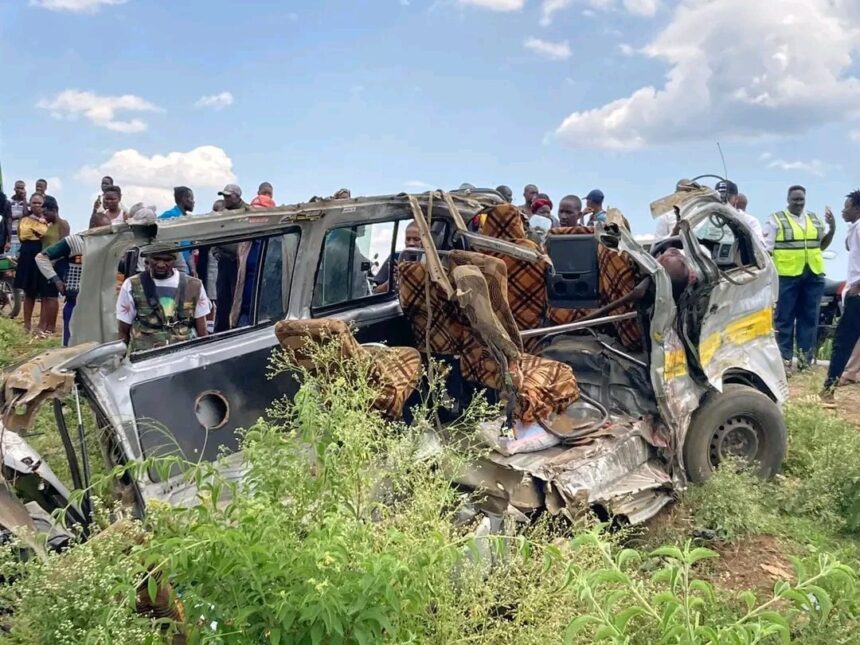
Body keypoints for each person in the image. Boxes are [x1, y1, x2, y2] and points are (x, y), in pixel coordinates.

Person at [765, 185, 836, 372]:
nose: (798, 203)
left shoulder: (813, 219)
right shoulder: (776, 220)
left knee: (809, 319)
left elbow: (822, 246)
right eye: (795, 199)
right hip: (787, 276)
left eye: (801, 199)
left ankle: (805, 361)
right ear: (788, 200)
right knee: (784, 319)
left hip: (813, 275)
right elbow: (767, 250)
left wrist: (832, 228)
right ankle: (785, 361)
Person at [116, 250, 211, 352]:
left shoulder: (194, 285)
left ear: (175, 261)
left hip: (184, 356)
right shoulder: (131, 285)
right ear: (147, 259)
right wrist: (120, 358)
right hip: (145, 358)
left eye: (167, 260)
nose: (161, 264)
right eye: (156, 259)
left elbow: (202, 329)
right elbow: (123, 330)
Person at [820, 190, 860, 402]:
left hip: (858, 294)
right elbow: (848, 246)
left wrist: (858, 285)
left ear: (857, 208)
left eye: (847, 206)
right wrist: (836, 225)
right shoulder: (856, 227)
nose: (844, 210)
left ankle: (829, 389)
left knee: (843, 341)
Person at [36, 228, 86, 347]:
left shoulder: (107, 243)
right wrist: (56, 280)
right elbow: (41, 258)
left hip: (96, 301)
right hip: (75, 298)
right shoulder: (74, 242)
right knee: (70, 343)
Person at [13, 193, 48, 333]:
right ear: (30, 205)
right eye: (34, 203)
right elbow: (23, 237)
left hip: (43, 253)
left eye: (39, 203)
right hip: (28, 255)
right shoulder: (25, 220)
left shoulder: (49, 220)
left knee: (44, 292)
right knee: (29, 292)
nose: (37, 205)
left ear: (44, 205)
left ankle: (42, 326)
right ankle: (27, 325)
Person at [35, 196, 69, 337]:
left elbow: (64, 245)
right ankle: (44, 325)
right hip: (46, 264)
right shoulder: (47, 226)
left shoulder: (63, 224)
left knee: (53, 296)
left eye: (46, 213)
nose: (44, 216)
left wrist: (54, 262)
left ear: (54, 210)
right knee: (46, 296)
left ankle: (52, 327)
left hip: (57, 263)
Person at [373, 221, 421, 291]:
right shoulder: (395, 257)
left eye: (416, 239)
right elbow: (375, 291)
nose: (411, 243)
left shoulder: (431, 262)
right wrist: (394, 280)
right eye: (408, 239)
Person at [8, 180, 28, 255]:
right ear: (14, 189)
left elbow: (26, 215)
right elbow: (8, 218)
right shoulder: (9, 202)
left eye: (22, 188)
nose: (20, 190)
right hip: (10, 239)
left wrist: (24, 198)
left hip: (22, 239)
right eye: (18, 188)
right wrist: (19, 216)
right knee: (10, 262)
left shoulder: (27, 203)